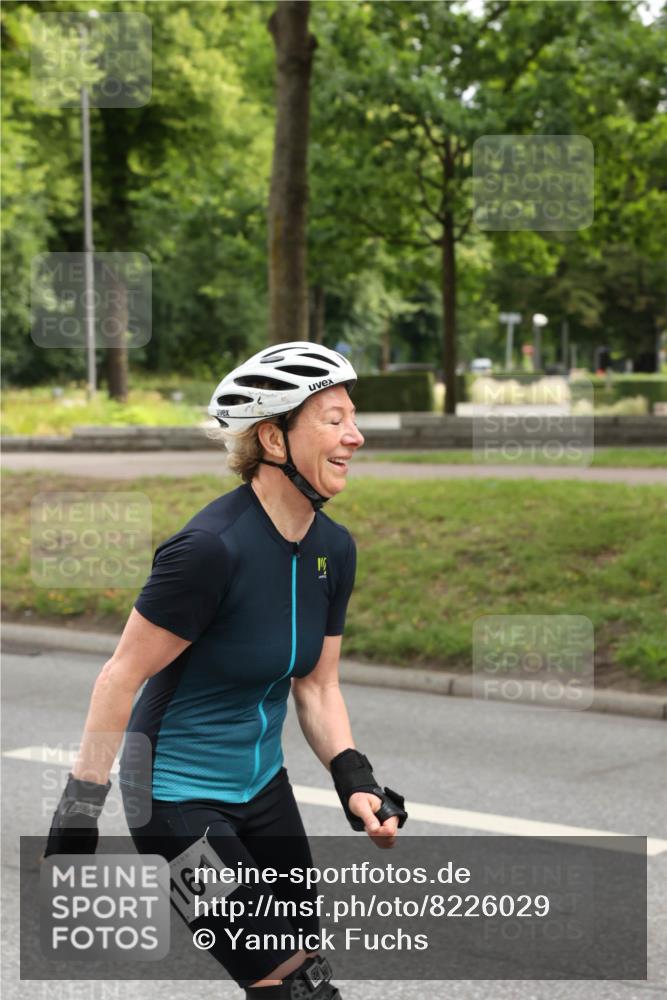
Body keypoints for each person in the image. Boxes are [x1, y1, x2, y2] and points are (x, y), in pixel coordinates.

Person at [44, 342, 408, 998]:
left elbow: (317, 684)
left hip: (262, 789)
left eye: (353, 419)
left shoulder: (332, 550)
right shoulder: (209, 551)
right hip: (173, 801)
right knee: (289, 982)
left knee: (301, 967)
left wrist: (356, 781)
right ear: (272, 438)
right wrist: (79, 813)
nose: (354, 436)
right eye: (333, 420)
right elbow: (120, 677)